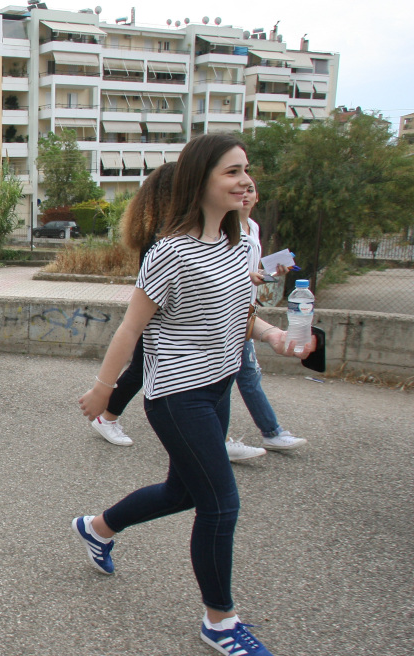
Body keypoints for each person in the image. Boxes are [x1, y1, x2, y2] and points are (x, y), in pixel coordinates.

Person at [75, 134, 316, 656]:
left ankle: (97, 528)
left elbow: (238, 313)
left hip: (217, 386)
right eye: (232, 172)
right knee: (221, 505)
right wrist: (103, 390)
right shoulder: (170, 252)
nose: (245, 180)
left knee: (181, 493)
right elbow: (130, 329)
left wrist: (275, 336)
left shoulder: (235, 246)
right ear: (200, 180)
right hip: (177, 395)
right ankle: (220, 622)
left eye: (246, 169)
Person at [86, 162, 177, 448]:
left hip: (159, 312)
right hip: (159, 314)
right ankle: (108, 416)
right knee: (141, 366)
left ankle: (109, 416)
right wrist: (102, 387)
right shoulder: (162, 235)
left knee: (143, 366)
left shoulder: (159, 228)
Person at [230, 182, 307, 454]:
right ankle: (225, 439)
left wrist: (273, 270)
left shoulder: (253, 227)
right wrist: (251, 276)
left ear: (257, 197)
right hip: (227, 313)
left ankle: (270, 432)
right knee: (229, 378)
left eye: (250, 190)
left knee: (247, 377)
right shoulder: (225, 229)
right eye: (241, 189)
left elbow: (252, 270)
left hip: (245, 312)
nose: (245, 194)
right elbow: (222, 272)